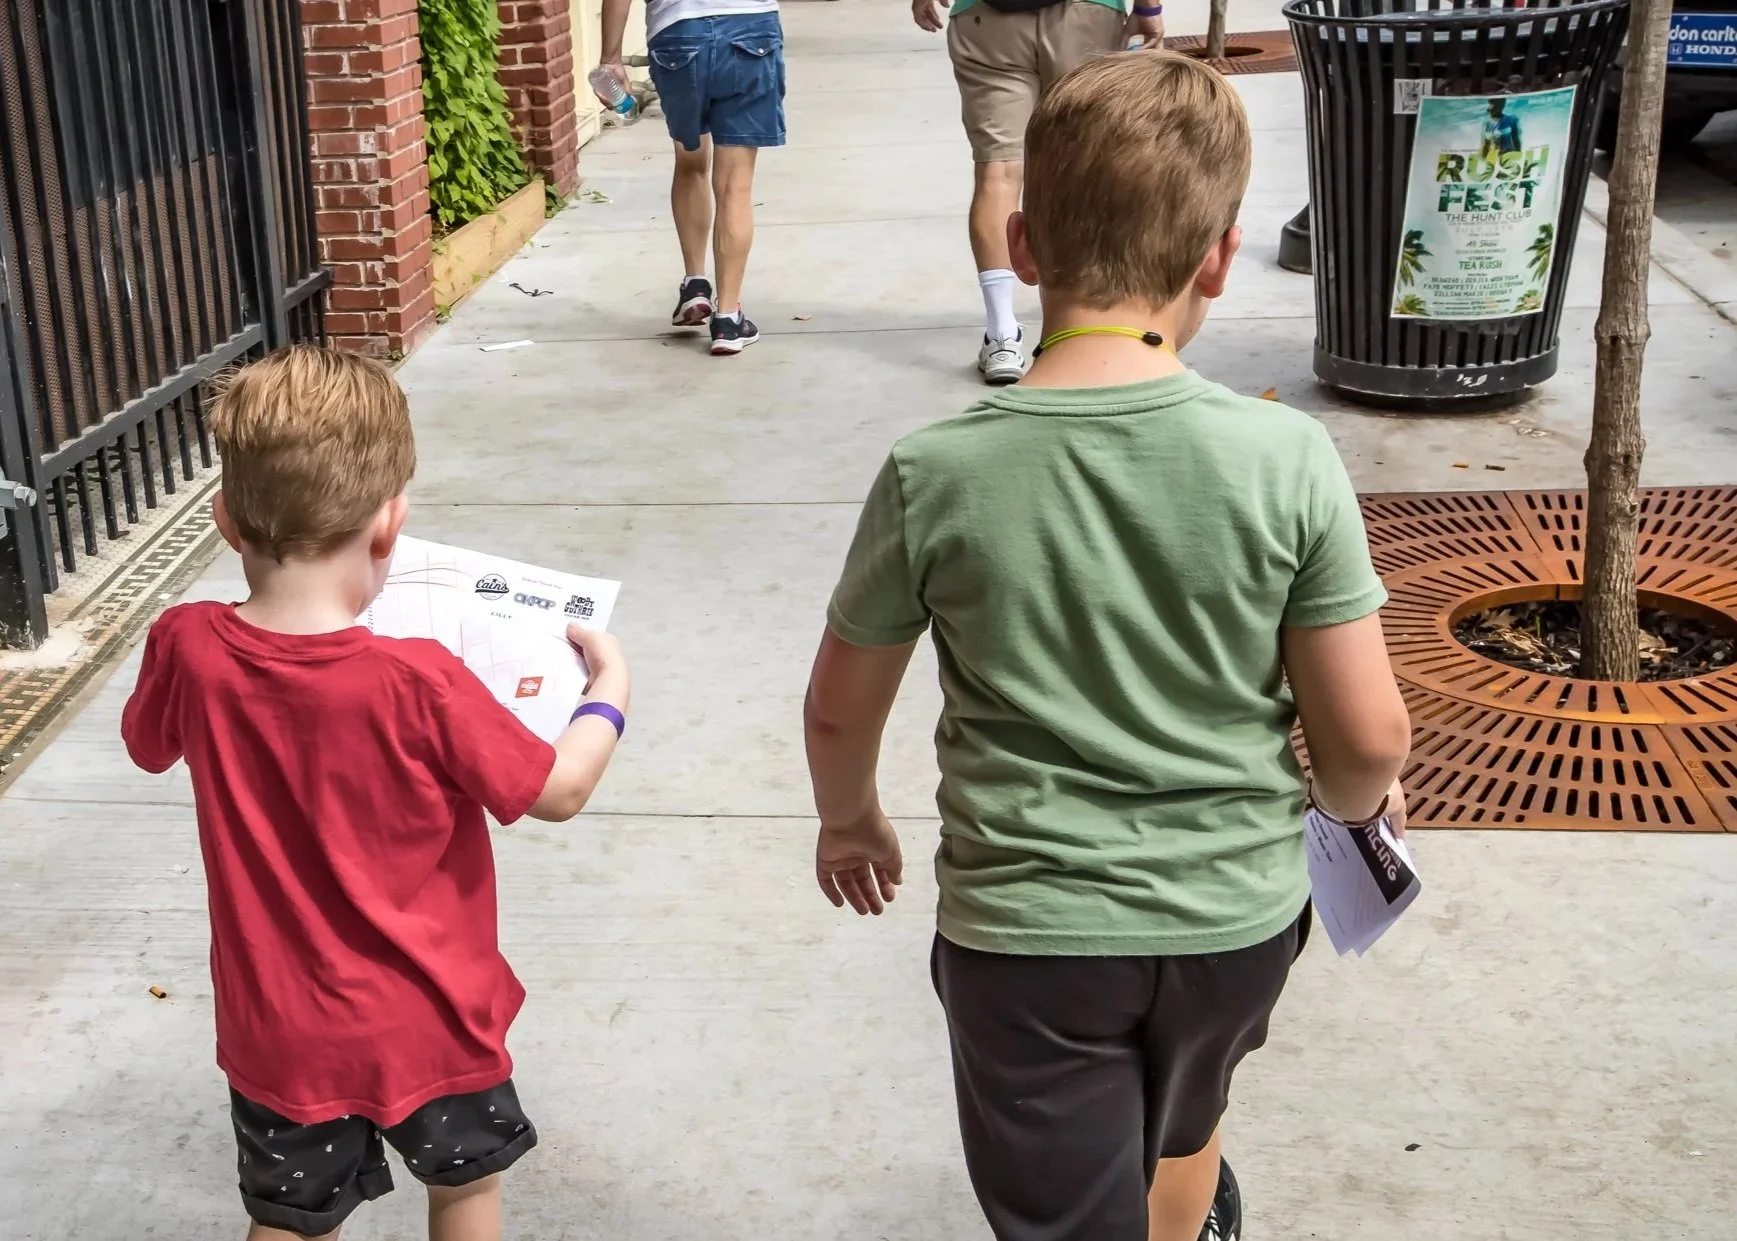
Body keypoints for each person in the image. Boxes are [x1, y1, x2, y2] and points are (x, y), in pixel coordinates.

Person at [802, 53, 1411, 1241]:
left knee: (1063, 1202)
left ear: (1022, 247)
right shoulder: (1285, 460)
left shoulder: (938, 470)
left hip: (1031, 941)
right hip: (1233, 922)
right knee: (1186, 1116)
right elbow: (1367, 736)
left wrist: (850, 815)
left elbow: (838, 704)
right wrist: (1345, 812)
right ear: (1220, 259)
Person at [120, 346, 632, 1241]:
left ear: (227, 521)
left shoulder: (188, 645)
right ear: (390, 525)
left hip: (280, 1028)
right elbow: (558, 789)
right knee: (465, 1192)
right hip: (432, 1019)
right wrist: (608, 689)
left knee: (289, 1217)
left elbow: (147, 744)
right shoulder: (419, 680)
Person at [913, 0, 1163, 384]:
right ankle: (1096, 327)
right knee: (1089, 167)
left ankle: (1001, 335)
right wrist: (1148, 8)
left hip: (986, 19)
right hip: (1087, 15)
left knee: (998, 172)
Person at [599, 0, 786, 356]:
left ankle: (695, 285)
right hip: (750, 26)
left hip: (678, 33)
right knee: (735, 184)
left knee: (691, 160)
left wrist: (611, 58)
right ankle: (728, 319)